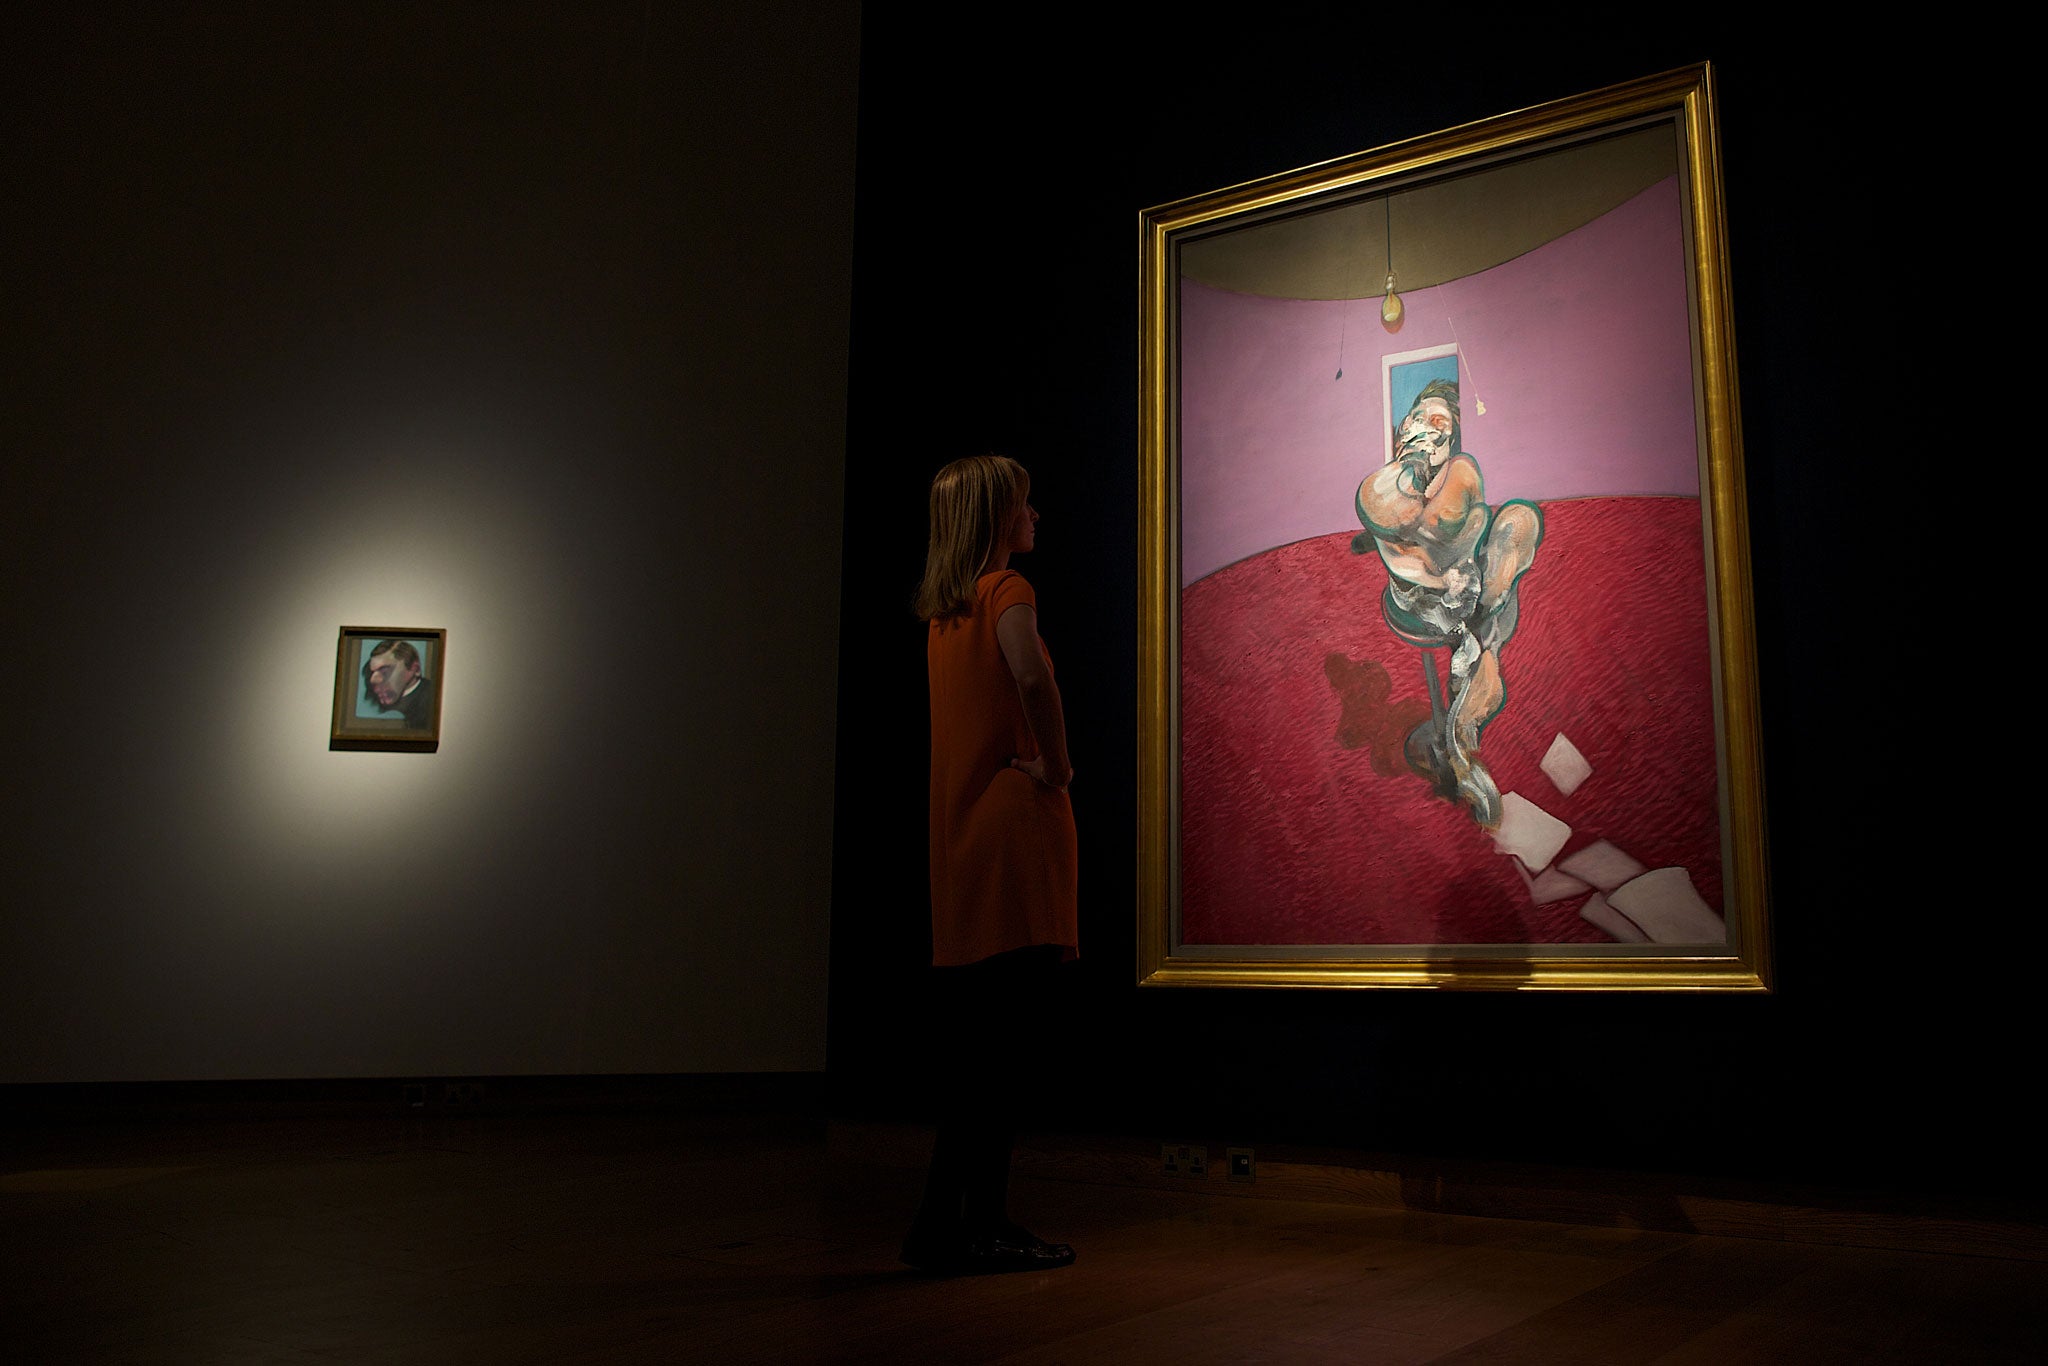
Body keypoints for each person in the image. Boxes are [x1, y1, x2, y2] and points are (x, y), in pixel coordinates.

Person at [903, 453, 1078, 1275]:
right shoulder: (1007, 594)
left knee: (977, 1057)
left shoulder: (942, 613)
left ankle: (947, 1225)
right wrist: (1058, 764)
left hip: (962, 848)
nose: (1035, 514)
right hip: (1011, 839)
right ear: (994, 518)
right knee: (1000, 1058)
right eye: (1024, 504)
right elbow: (1031, 671)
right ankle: (981, 1226)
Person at [1353, 380, 1541, 828]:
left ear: (1451, 438)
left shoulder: (1463, 471)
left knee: (1521, 519)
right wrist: (1444, 579)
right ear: (1403, 432)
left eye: (1439, 423)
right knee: (1478, 641)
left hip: (1472, 580)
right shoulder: (1381, 491)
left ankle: (1483, 623)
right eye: (1418, 419)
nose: (1426, 429)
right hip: (1422, 597)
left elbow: (1479, 522)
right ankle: (1461, 730)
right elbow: (1403, 561)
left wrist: (1475, 578)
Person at [363, 640, 434, 729]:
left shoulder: (432, 699)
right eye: (372, 672)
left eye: (384, 671)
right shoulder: (379, 703)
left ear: (415, 669)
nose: (373, 680)